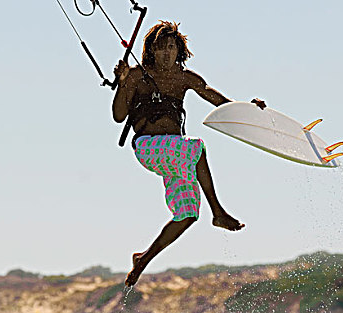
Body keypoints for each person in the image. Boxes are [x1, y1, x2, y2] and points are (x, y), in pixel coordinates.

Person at [112, 21, 266, 287]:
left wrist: (249, 109)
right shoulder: (137, 75)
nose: (165, 54)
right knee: (197, 147)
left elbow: (221, 103)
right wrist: (123, 83)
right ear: (150, 50)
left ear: (179, 50)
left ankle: (142, 260)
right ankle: (218, 212)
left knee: (187, 213)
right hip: (148, 148)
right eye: (160, 49)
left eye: (170, 48)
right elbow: (118, 116)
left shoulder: (186, 79)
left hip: (176, 155)